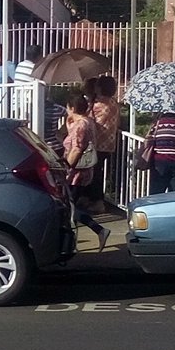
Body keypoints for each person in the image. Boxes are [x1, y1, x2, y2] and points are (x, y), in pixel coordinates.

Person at [63, 94, 110, 252]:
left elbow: (77, 148)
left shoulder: (81, 125)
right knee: (71, 207)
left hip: (76, 173)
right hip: (84, 171)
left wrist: (67, 167)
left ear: (72, 108)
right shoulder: (87, 121)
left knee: (69, 207)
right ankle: (76, 240)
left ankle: (96, 231)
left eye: (68, 108)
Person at [85, 75, 120, 211]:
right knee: (97, 171)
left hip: (96, 143)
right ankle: (94, 200)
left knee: (94, 173)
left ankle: (97, 201)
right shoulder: (114, 103)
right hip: (109, 143)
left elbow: (87, 120)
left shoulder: (98, 105)